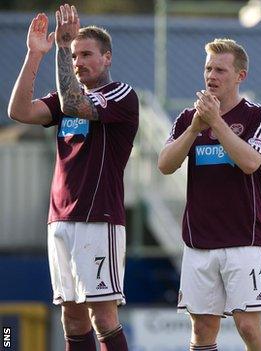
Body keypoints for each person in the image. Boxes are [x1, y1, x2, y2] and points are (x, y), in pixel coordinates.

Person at [7, 4, 137, 351]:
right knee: (73, 318)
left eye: (86, 54)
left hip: (98, 219)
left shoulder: (120, 94)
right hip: (59, 219)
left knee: (103, 318)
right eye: (75, 55)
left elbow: (76, 104)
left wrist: (62, 48)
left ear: (107, 58)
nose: (79, 61)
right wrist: (35, 55)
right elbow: (19, 111)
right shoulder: (63, 99)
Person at [158, 38, 261, 351]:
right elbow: (165, 165)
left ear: (240, 76)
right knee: (202, 331)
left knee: (249, 327)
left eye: (221, 70)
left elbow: (251, 162)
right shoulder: (188, 118)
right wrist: (196, 128)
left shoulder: (258, 115)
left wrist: (216, 123)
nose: (212, 75)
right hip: (200, 241)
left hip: (244, 240)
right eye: (208, 68)